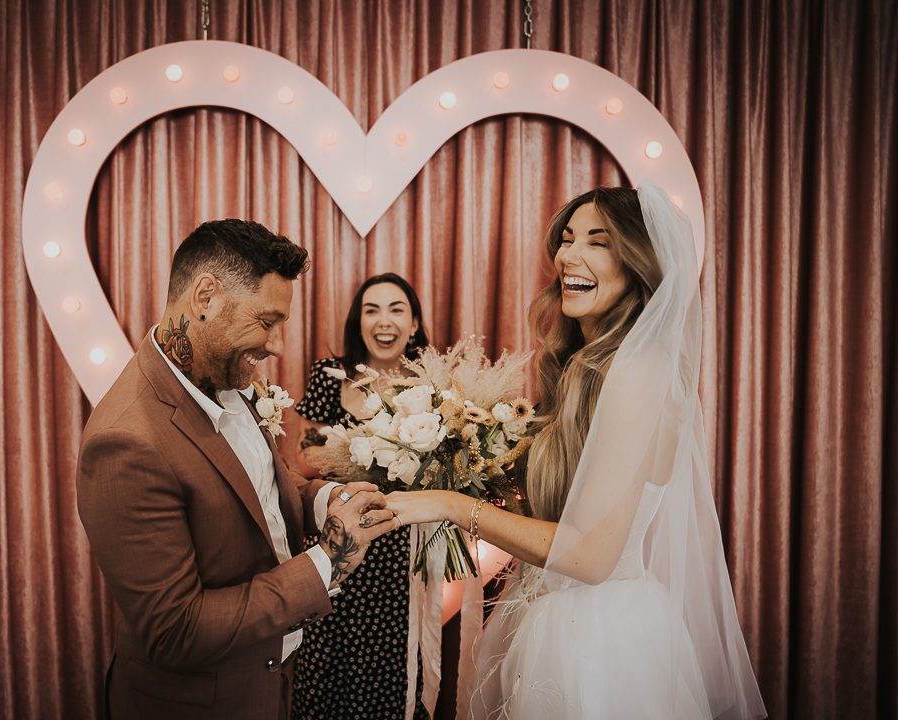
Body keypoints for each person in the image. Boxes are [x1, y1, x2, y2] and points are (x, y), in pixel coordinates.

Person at [388, 186, 767, 719]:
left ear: (638, 263)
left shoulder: (635, 374)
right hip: (561, 624)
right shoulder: (582, 372)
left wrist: (454, 503)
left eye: (598, 241)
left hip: (602, 640)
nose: (569, 256)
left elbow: (590, 556)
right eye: (567, 240)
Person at [76, 219, 397, 720]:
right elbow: (176, 631)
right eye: (267, 321)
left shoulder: (225, 372)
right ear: (206, 296)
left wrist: (319, 499)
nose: (277, 346)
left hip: (272, 684)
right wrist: (328, 561)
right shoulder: (125, 443)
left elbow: (253, 483)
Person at [291, 273, 432, 719]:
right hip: (335, 543)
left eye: (396, 309)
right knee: (323, 666)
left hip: (398, 551)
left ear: (413, 324)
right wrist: (373, 452)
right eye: (372, 310)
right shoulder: (328, 375)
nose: (383, 320)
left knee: (389, 672)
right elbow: (305, 457)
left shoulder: (430, 386)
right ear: (359, 322)